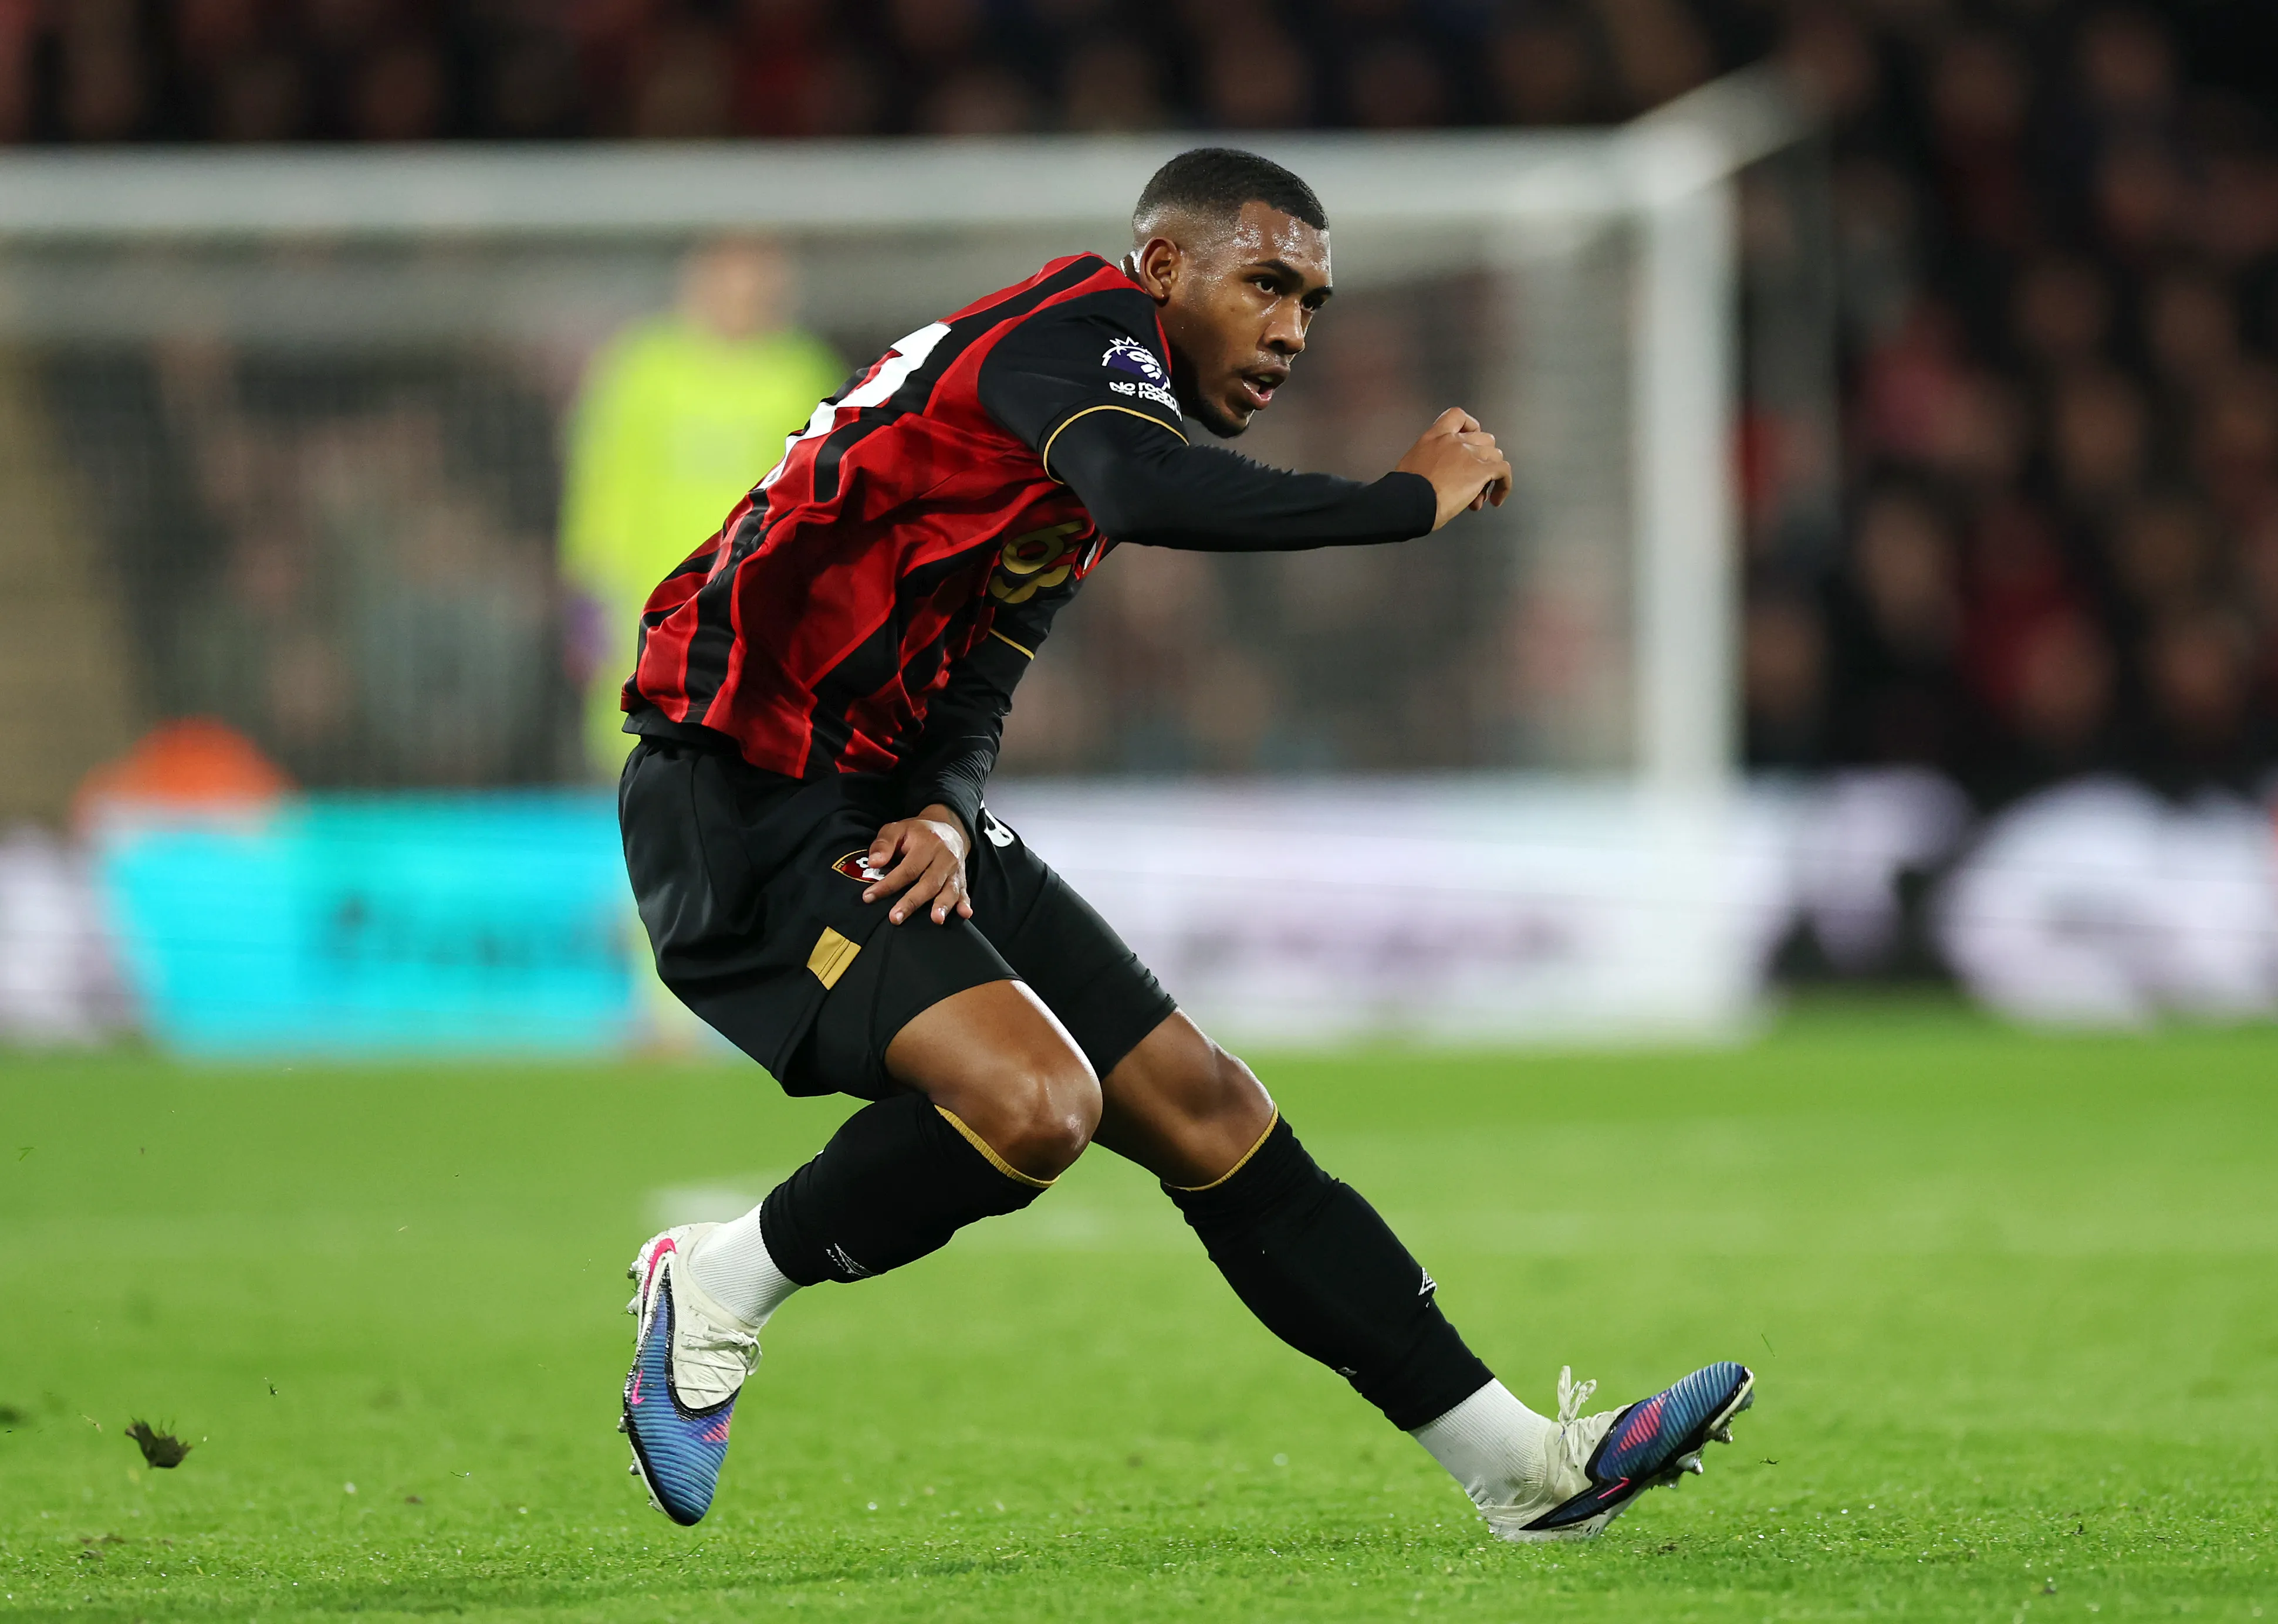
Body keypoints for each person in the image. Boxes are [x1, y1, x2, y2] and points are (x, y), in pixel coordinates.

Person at [612, 148, 1753, 1544]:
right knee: (1037, 1106)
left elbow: (984, 667)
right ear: (1162, 271)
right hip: (739, 797)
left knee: (1205, 1106)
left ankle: (1521, 1465)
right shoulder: (1075, 340)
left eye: (1312, 304)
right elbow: (1147, 491)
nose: (1288, 330)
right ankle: (716, 1286)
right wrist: (1400, 501)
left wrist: (942, 807)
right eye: (1264, 284)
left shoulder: (1075, 436)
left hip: (876, 808)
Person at [560, 237, 844, 777]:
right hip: (647, 607)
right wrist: (587, 588)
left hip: (759, 609)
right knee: (637, 766)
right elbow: (601, 482)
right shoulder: (642, 368)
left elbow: (826, 498)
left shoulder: (801, 372)